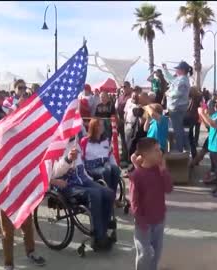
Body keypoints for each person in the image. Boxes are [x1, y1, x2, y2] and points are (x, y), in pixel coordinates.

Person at [0, 85, 46, 269]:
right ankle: (8, 262)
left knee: (26, 212)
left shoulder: (9, 110)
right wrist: (0, 152)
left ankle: (31, 251)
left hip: (17, 166)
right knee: (6, 214)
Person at [49, 140, 116, 252]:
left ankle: (103, 229)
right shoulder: (54, 145)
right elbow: (54, 173)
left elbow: (81, 167)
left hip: (83, 179)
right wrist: (68, 159)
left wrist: (91, 180)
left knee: (109, 193)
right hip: (67, 184)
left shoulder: (75, 141)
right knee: (95, 195)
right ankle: (98, 237)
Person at [129, 138, 173, 270]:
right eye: (156, 150)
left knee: (156, 252)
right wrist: (141, 221)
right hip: (144, 223)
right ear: (146, 155)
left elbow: (168, 188)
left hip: (159, 219)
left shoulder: (159, 171)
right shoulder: (137, 175)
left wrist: (164, 170)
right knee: (145, 253)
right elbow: (134, 201)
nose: (160, 153)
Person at [80, 118, 120, 194]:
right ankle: (108, 194)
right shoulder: (85, 141)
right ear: (93, 127)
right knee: (106, 171)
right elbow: (81, 158)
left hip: (105, 163)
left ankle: (113, 195)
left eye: (102, 125)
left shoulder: (106, 140)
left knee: (115, 170)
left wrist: (115, 165)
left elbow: (110, 155)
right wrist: (83, 172)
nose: (102, 128)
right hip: (92, 166)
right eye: (99, 126)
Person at [162, 61, 191, 153]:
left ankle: (179, 150)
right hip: (177, 107)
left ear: (182, 70)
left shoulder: (182, 80)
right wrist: (165, 69)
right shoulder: (181, 79)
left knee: (177, 129)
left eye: (177, 68)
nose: (176, 70)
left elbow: (177, 93)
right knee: (179, 129)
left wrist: (168, 93)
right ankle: (184, 148)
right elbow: (170, 79)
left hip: (176, 108)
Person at [115, 81, 133, 164]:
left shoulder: (131, 97)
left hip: (128, 121)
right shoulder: (120, 97)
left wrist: (124, 120)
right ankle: (123, 156)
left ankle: (128, 157)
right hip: (120, 121)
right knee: (122, 140)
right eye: (123, 87)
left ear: (129, 87)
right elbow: (116, 108)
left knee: (127, 140)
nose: (124, 88)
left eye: (125, 86)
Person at [186, 86, 203, 158]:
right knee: (193, 133)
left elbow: (188, 108)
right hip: (197, 116)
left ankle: (193, 154)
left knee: (189, 135)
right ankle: (195, 144)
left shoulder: (190, 98)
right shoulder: (199, 97)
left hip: (189, 118)